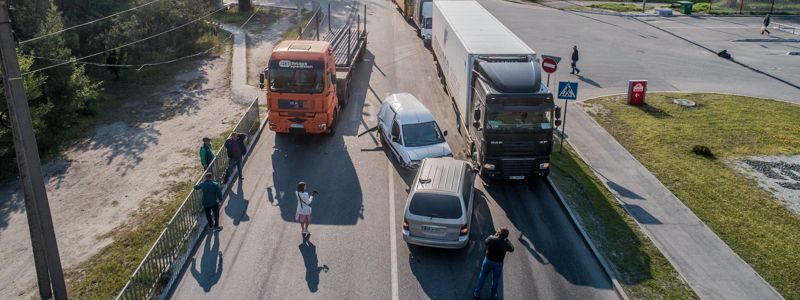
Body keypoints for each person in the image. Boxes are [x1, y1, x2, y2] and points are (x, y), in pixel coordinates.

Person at [473, 227, 515, 299]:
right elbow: (512, 249)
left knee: (482, 276)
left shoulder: (491, 238)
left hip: (488, 260)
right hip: (498, 263)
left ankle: (477, 292)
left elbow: (486, 242)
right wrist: (507, 240)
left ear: (498, 233)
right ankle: (492, 296)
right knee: (495, 280)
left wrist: (495, 236)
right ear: (506, 236)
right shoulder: (506, 244)